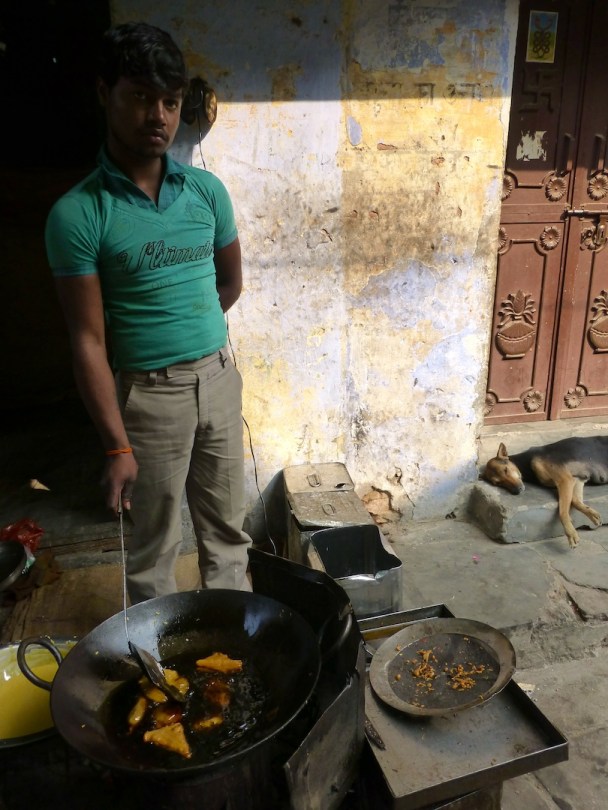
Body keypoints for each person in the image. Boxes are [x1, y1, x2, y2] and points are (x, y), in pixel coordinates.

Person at [45, 21, 252, 603]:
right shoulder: (78, 214)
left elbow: (229, 283)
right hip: (150, 396)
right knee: (155, 546)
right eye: (139, 97)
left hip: (218, 380)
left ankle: (232, 641)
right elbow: (88, 340)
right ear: (104, 93)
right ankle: (155, 654)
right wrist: (116, 445)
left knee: (228, 535)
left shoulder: (207, 192)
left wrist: (190, 333)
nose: (158, 116)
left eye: (170, 101)